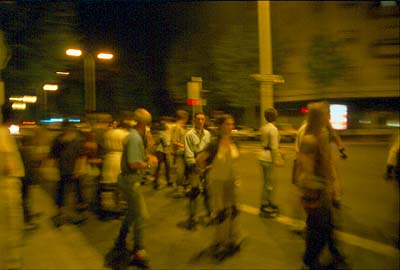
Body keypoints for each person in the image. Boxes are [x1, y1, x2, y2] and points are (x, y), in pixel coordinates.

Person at [295, 101, 347, 270]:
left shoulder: (322, 133)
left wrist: (331, 186)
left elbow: (326, 162)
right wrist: (315, 193)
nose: (329, 117)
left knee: (325, 226)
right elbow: (306, 170)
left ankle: (327, 255)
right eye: (327, 114)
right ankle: (309, 262)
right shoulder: (310, 138)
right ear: (319, 116)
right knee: (318, 229)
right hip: (315, 190)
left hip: (323, 188)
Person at [110, 108, 157, 268]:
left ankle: (121, 239)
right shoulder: (135, 138)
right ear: (145, 124)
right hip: (131, 181)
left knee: (131, 213)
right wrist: (149, 163)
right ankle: (139, 249)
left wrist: (147, 150)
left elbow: (146, 149)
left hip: (128, 180)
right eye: (149, 124)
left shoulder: (135, 136)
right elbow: (133, 163)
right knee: (140, 215)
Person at [196, 114, 244, 261]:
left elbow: (235, 161)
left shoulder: (235, 141)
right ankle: (219, 241)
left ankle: (233, 238)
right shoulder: (214, 143)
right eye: (227, 124)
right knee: (221, 212)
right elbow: (199, 159)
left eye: (232, 124)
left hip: (232, 181)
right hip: (217, 181)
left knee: (234, 210)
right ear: (220, 126)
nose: (230, 127)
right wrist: (205, 169)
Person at [0, 104, 25, 269]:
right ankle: (11, 263)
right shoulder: (2, 134)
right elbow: (5, 164)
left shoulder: (5, 133)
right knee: (11, 226)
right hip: (6, 186)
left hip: (9, 184)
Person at [49, 120, 87, 227]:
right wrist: (54, 168)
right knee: (61, 192)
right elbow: (54, 155)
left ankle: (80, 213)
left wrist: (78, 169)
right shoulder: (58, 140)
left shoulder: (77, 140)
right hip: (63, 170)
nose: (66, 131)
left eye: (68, 129)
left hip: (74, 170)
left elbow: (81, 155)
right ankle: (61, 213)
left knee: (78, 192)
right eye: (64, 129)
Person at [184, 112, 211, 230]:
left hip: (206, 165)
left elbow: (210, 150)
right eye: (198, 119)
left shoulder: (208, 134)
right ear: (194, 120)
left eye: (202, 119)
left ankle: (209, 214)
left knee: (208, 191)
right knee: (194, 192)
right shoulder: (189, 135)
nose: (200, 121)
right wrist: (193, 166)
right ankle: (192, 217)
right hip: (195, 165)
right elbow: (188, 152)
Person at [258, 108, 284, 218]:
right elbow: (274, 147)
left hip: (262, 155)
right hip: (269, 158)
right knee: (269, 184)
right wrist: (278, 159)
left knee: (267, 182)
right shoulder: (273, 129)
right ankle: (265, 205)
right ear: (275, 117)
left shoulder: (263, 128)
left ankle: (267, 202)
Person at [170, 110, 189, 197]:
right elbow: (174, 141)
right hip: (180, 153)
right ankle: (179, 190)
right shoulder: (177, 128)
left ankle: (182, 189)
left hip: (183, 153)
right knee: (180, 172)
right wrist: (185, 146)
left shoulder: (181, 128)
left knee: (183, 171)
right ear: (184, 118)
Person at [153, 121, 172, 189]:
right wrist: (167, 152)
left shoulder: (161, 133)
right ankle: (159, 182)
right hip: (162, 151)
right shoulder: (162, 133)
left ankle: (157, 181)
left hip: (160, 151)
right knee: (165, 166)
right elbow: (165, 143)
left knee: (163, 167)